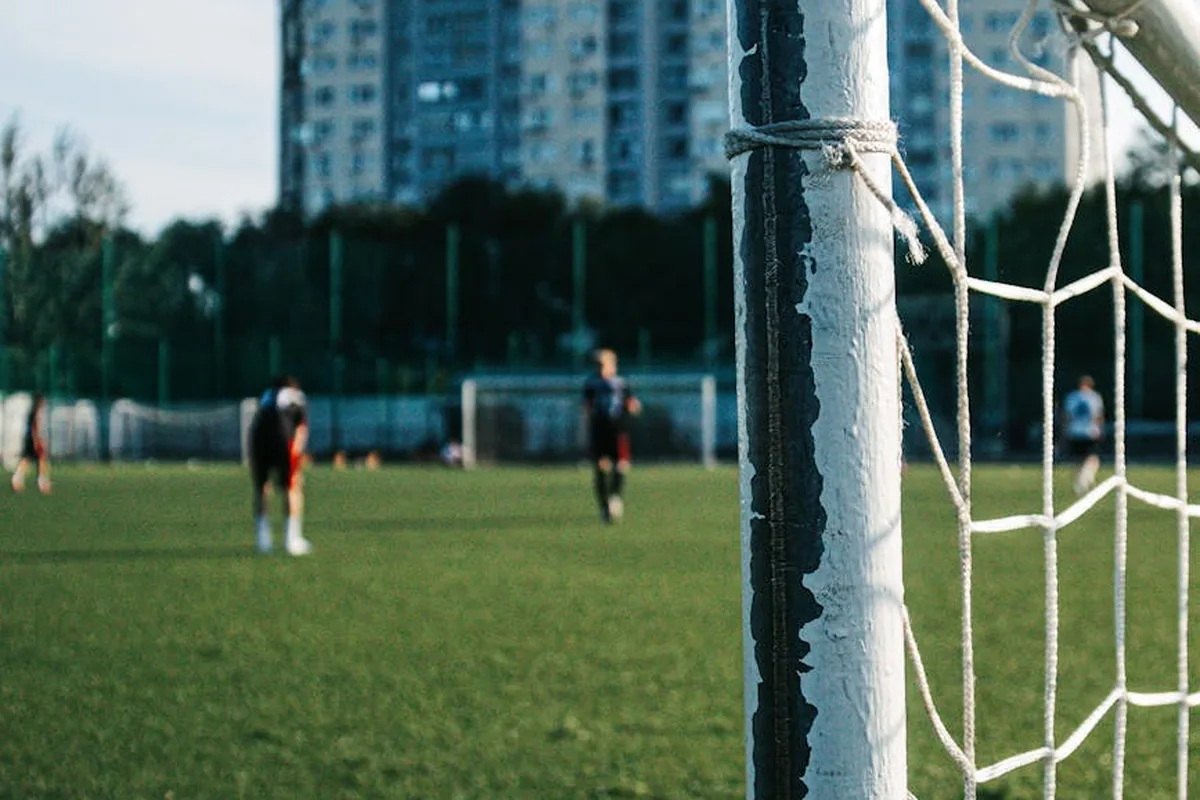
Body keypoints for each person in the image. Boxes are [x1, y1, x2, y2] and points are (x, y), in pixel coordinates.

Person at [248, 376, 313, 555]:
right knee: (292, 488)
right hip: (283, 442)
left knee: (262, 489)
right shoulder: (296, 396)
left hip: (258, 442)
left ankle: (263, 541)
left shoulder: (266, 396)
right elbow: (301, 428)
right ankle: (291, 540)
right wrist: (297, 455)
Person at [583, 349, 641, 522]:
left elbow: (631, 403)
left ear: (612, 365)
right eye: (597, 365)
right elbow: (586, 406)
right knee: (602, 466)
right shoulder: (591, 383)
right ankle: (603, 506)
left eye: (603, 364)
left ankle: (615, 497)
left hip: (619, 430)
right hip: (600, 429)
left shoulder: (621, 383)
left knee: (621, 465)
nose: (600, 369)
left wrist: (633, 406)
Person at [1063, 374, 1104, 496]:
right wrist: (1099, 429)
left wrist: (1065, 431)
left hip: (1075, 431)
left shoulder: (1072, 397)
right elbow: (1098, 416)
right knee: (1093, 458)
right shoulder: (1094, 397)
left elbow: (1067, 416)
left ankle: (1080, 483)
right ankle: (1086, 479)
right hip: (1089, 432)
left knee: (1077, 460)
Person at [10, 393, 50, 494]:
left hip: (30, 439)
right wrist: (37, 441)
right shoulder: (35, 413)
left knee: (29, 459)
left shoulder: (33, 412)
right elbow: (34, 429)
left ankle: (18, 478)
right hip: (33, 440)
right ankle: (41, 482)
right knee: (40, 459)